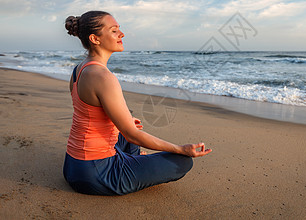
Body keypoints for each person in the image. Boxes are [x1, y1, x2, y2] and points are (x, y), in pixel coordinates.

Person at [63, 11, 211, 195]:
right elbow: (133, 135)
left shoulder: (79, 69)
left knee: (126, 122)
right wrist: (180, 149)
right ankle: (134, 163)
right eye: (114, 30)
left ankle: (134, 159)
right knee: (182, 161)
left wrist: (121, 125)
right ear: (95, 38)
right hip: (96, 174)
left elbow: (88, 115)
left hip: (72, 165)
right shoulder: (103, 77)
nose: (121, 34)